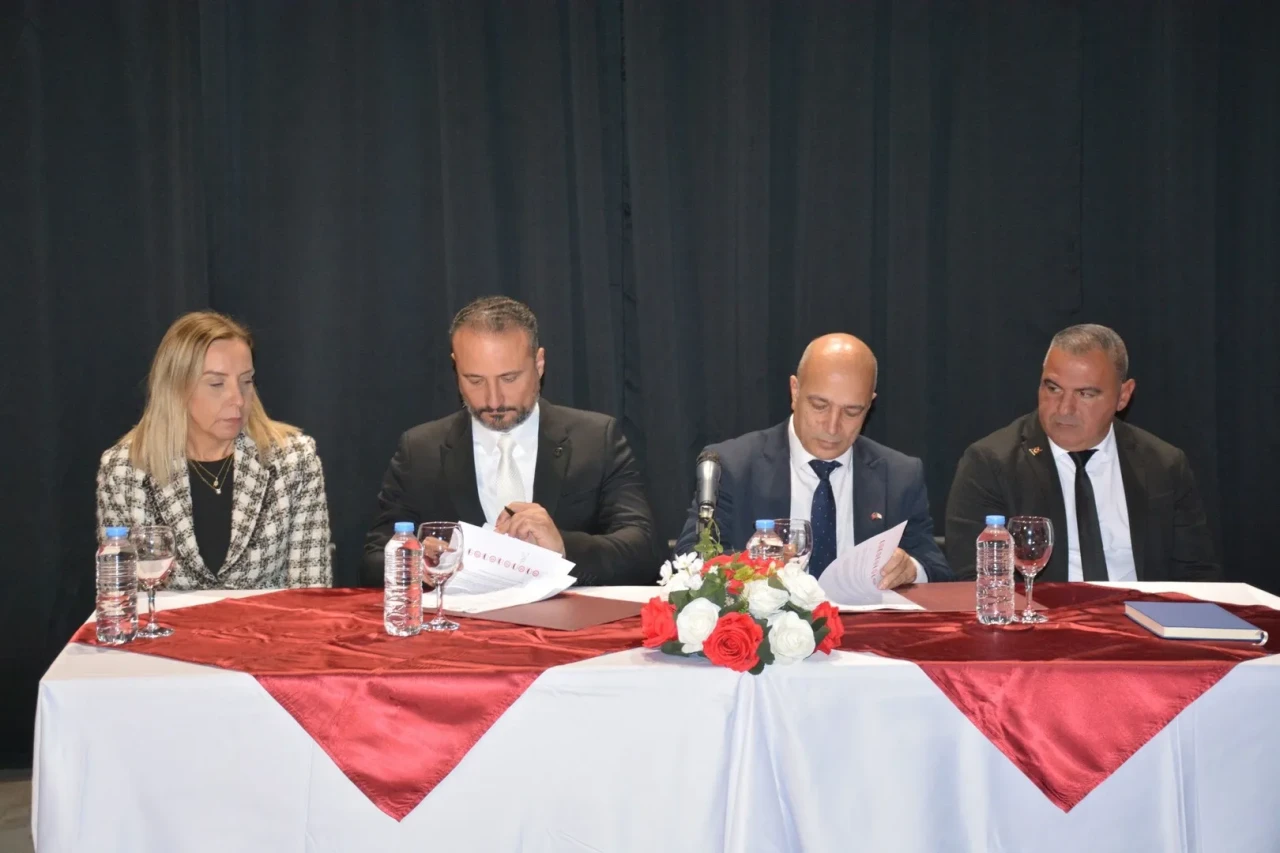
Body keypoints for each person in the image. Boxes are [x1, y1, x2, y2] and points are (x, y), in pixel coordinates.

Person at [362, 296, 659, 586]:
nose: (493, 400)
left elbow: (642, 550)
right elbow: (374, 557)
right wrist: (414, 562)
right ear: (455, 366)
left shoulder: (596, 440)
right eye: (475, 380)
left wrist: (562, 547)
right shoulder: (419, 451)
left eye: (509, 378)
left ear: (539, 364)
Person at [945, 323, 1220, 582]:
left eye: (1085, 394)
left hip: (1140, 613)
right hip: (1040, 615)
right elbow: (976, 581)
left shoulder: (1163, 465)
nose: (1064, 409)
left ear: (1123, 396)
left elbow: (1196, 575)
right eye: (1053, 389)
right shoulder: (992, 464)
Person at [675, 334, 952, 587]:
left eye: (852, 412)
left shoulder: (899, 475)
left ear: (870, 404)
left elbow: (936, 567)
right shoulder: (733, 466)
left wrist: (909, 568)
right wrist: (754, 567)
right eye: (820, 406)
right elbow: (692, 556)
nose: (832, 427)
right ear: (795, 391)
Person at [96, 311, 332, 589]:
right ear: (175, 388)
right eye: (217, 384)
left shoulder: (293, 460)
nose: (238, 399)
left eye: (246, 381)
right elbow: (120, 595)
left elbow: (310, 591)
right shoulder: (124, 469)